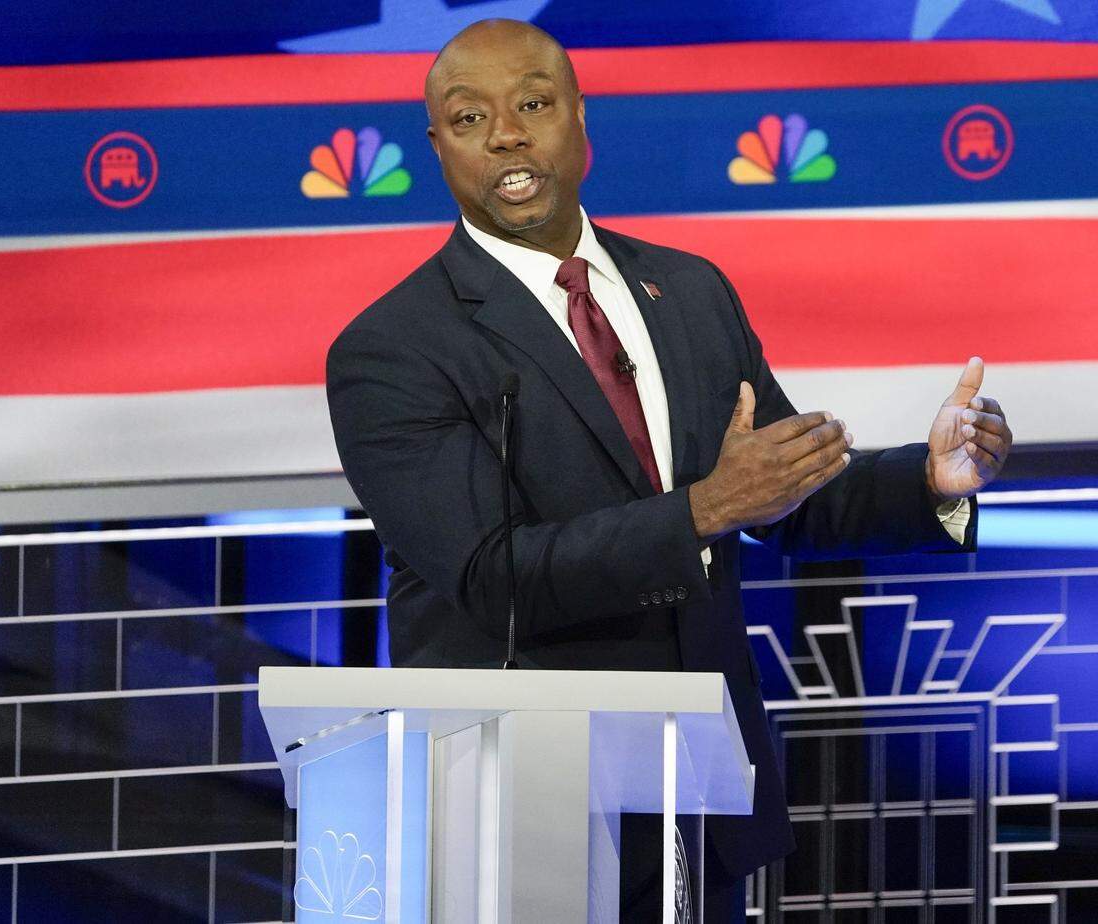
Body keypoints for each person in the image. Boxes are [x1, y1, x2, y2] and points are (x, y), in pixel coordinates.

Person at [326, 18, 1012, 921]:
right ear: (438, 147)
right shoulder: (393, 349)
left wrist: (929, 482)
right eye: (469, 119)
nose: (506, 134)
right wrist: (700, 510)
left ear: (579, 118)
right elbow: (494, 580)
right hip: (513, 804)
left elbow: (780, 492)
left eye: (532, 104)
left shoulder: (689, 292)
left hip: (697, 791)